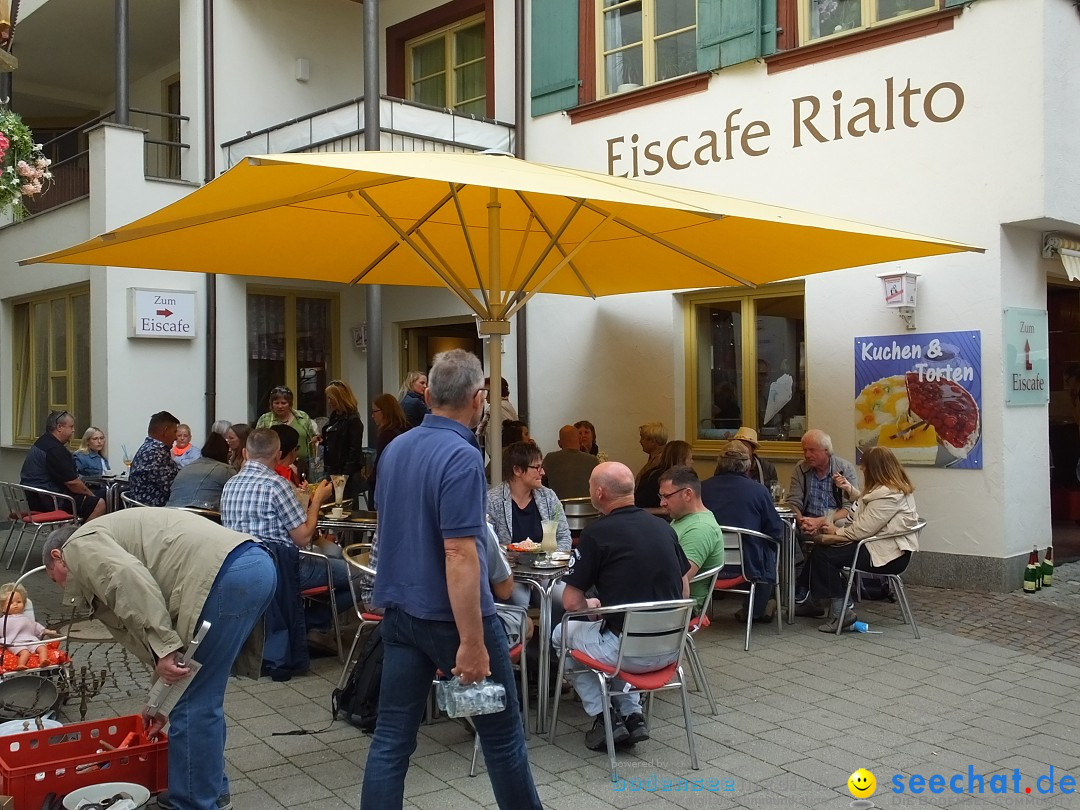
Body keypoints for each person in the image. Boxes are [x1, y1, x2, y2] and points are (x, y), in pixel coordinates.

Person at [362, 349, 541, 810]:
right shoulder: (461, 456)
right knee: (502, 738)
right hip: (450, 616)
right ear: (479, 398)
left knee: (391, 739)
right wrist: (473, 641)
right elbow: (460, 552)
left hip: (399, 612)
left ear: (429, 392)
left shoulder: (396, 448)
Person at [42, 510, 276, 810]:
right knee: (203, 695)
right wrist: (159, 702)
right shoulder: (106, 533)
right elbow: (146, 613)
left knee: (194, 700)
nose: (61, 588)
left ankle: (193, 802)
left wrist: (165, 650)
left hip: (225, 575)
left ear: (57, 555)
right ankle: (210, 791)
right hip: (254, 564)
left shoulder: (80, 545)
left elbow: (127, 579)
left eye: (54, 579)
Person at [554, 461, 690, 751]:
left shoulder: (596, 534)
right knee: (609, 636)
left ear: (600, 493)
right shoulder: (663, 528)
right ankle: (632, 713)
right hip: (670, 650)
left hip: (624, 652)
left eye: (590, 485)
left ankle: (604, 717)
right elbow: (683, 588)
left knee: (562, 635)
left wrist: (592, 606)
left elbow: (570, 602)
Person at [220, 429, 351, 628]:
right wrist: (316, 501)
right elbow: (303, 538)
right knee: (362, 575)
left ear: (245, 453)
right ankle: (309, 622)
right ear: (278, 454)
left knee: (332, 558)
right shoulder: (277, 484)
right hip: (282, 568)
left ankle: (301, 623)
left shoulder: (230, 484)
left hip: (240, 567)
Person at [810, 446, 921, 632]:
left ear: (875, 469)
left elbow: (861, 531)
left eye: (865, 466)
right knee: (818, 551)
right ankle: (812, 600)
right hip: (881, 547)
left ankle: (841, 613)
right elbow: (868, 501)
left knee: (823, 555)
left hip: (888, 557)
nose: (862, 469)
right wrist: (849, 489)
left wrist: (832, 533)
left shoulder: (889, 496)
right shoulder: (890, 489)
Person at [700, 441, 784, 622]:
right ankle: (754, 610)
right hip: (747, 566)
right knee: (770, 549)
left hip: (707, 563)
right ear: (748, 465)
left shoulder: (702, 488)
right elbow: (776, 529)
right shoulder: (758, 491)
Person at [658, 466, 725, 613]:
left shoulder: (700, 528)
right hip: (665, 599)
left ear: (687, 494)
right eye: (661, 496)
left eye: (666, 496)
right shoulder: (683, 518)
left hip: (679, 609)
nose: (662, 503)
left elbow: (675, 581)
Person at [20, 411, 106, 522]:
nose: (73, 430)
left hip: (36, 497)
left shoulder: (42, 442)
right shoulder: (55, 449)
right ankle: (80, 537)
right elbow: (73, 483)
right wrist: (92, 496)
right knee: (100, 503)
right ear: (59, 427)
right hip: (50, 501)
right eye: (71, 426)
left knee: (99, 495)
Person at [487, 441, 571, 550]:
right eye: (537, 467)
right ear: (517, 470)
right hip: (509, 565)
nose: (543, 472)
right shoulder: (493, 500)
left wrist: (549, 559)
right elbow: (488, 545)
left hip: (546, 564)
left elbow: (564, 537)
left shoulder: (548, 496)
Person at [322, 380, 365, 504]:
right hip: (333, 469)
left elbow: (354, 450)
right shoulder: (334, 416)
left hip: (347, 473)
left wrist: (344, 476)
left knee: (346, 504)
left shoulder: (353, 421)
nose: (329, 402)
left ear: (340, 398)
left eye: (331, 399)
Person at [167, 432, 235, 510]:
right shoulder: (226, 470)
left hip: (172, 511)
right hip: (204, 514)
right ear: (225, 453)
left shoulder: (186, 468)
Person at [0, 582, 58, 670]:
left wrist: (47, 631)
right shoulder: (3, 620)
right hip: (15, 643)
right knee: (25, 652)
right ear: (2, 607)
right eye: (11, 603)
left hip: (31, 641)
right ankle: (21, 664)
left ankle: (44, 660)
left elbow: (35, 626)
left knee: (42, 648)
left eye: (19, 602)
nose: (15, 604)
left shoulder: (26, 618)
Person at [255, 385, 319, 466]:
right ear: (271, 404)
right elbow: (257, 443)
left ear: (290, 403)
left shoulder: (303, 416)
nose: (280, 406)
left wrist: (316, 439)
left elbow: (312, 438)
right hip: (274, 465)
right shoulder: (264, 419)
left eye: (284, 403)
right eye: (276, 403)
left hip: (303, 464)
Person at [129, 411, 181, 507]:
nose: (175, 438)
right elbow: (173, 487)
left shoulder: (148, 448)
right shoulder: (156, 453)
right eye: (174, 432)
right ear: (165, 431)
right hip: (154, 513)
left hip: (143, 509)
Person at [369, 393, 408, 509]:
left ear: (385, 412)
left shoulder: (386, 435)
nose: (372, 416)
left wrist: (371, 481)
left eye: (375, 411)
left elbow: (380, 465)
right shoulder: (408, 428)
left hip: (390, 488)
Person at [541, 425, 599, 500]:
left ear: (559, 443)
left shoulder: (549, 459)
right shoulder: (593, 460)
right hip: (588, 509)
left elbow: (541, 486)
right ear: (580, 441)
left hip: (560, 509)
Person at [637, 439, 692, 513]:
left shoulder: (650, 473)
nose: (692, 462)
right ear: (681, 459)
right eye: (690, 459)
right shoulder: (659, 479)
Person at [633, 421, 668, 509]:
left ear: (652, 441)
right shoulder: (655, 458)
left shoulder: (661, 461)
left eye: (642, 438)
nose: (640, 441)